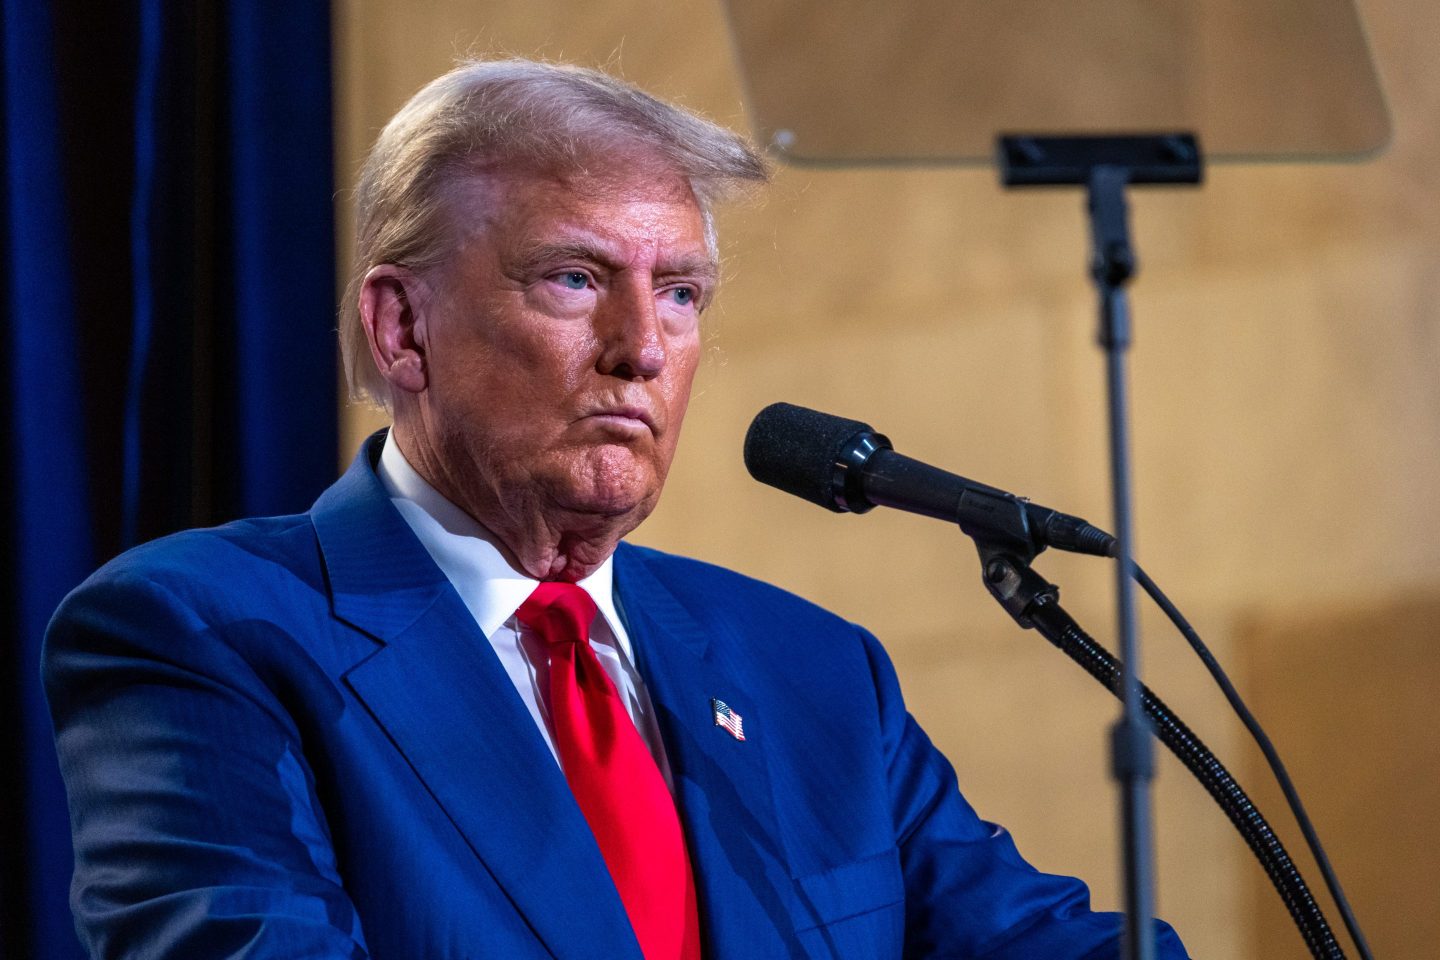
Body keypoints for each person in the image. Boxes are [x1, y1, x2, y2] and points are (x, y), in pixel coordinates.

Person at [44, 59, 1188, 959]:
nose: (641, 349)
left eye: (680, 293)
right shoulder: (205, 634)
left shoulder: (813, 672)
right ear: (402, 329)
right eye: (575, 280)